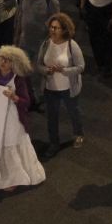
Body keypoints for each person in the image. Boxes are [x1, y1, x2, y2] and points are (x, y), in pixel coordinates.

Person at [0, 45, 46, 197]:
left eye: (8, 60)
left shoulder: (18, 79)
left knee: (9, 146)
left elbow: (26, 102)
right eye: (2, 59)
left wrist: (14, 97)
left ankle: (14, 178)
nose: (3, 62)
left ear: (14, 63)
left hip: (11, 118)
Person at [37, 12, 87, 151]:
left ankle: (78, 134)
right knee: (51, 117)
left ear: (64, 29)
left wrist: (64, 70)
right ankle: (54, 142)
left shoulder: (72, 45)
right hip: (50, 88)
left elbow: (81, 67)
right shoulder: (46, 43)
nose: (52, 30)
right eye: (51, 27)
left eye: (56, 28)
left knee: (73, 112)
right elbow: (39, 65)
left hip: (68, 88)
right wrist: (47, 70)